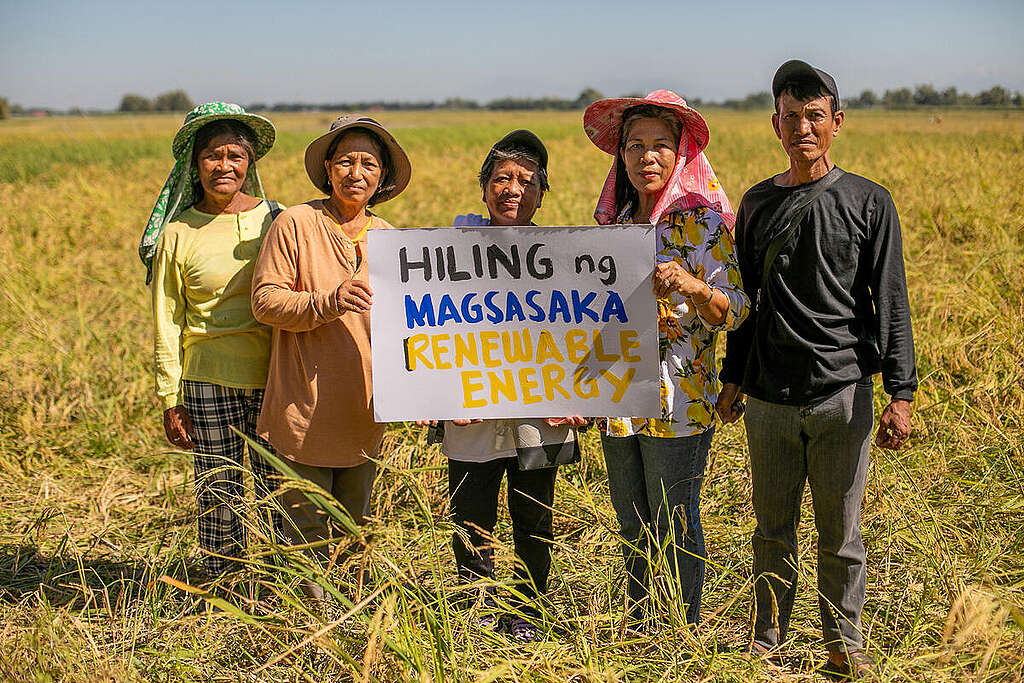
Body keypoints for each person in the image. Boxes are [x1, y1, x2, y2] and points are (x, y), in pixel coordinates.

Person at [716, 60, 916, 679]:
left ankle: (843, 641)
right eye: (791, 116)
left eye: (814, 115)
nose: (802, 126)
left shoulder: (869, 202)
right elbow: (744, 304)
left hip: (843, 395)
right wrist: (732, 379)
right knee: (771, 527)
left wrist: (900, 393)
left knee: (841, 534)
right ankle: (768, 634)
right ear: (775, 124)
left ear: (837, 123)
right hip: (770, 396)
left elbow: (891, 299)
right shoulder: (756, 204)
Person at [583, 91, 749, 629]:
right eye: (634, 146)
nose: (646, 157)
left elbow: (737, 308)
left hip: (680, 400)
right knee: (631, 520)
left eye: (659, 145)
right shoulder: (611, 226)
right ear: (621, 156)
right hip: (619, 396)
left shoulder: (703, 224)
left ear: (680, 154)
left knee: (675, 518)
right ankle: (638, 622)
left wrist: (691, 284)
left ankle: (682, 627)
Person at [420, 130, 586, 642]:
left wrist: (587, 401)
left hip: (540, 417)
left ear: (542, 195)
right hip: (470, 417)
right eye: (501, 179)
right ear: (483, 188)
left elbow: (586, 333)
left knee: (535, 518)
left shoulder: (565, 258)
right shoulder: (451, 254)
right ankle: (474, 609)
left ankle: (528, 609)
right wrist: (433, 394)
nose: (512, 189)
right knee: (470, 514)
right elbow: (428, 328)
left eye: (525, 182)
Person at [250, 115, 411, 596]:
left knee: (354, 533)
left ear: (381, 177)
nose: (355, 173)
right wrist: (328, 301)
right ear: (327, 167)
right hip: (305, 408)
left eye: (368, 163)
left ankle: (349, 630)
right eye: (345, 161)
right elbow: (265, 301)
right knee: (306, 535)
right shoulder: (296, 223)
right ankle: (308, 638)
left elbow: (413, 324)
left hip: (364, 411)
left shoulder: (388, 236)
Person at [143, 102, 283, 579]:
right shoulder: (179, 232)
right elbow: (167, 318)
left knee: (280, 488)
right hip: (207, 379)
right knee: (219, 491)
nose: (224, 166)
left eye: (234, 156)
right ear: (194, 164)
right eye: (212, 156)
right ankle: (222, 585)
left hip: (275, 375)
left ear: (250, 164)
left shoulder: (277, 220)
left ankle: (282, 582)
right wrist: (169, 396)